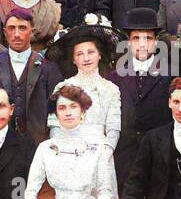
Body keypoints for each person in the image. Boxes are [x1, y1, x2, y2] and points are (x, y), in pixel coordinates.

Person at [0, 8, 63, 146]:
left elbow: (57, 111)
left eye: (22, 28)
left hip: (38, 145)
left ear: (32, 31)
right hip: (1, 145)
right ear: (5, 33)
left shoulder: (49, 68)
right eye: (12, 28)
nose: (17, 34)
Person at [45, 15, 123, 151]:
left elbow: (113, 130)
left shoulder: (111, 89)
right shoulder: (63, 87)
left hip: (100, 153)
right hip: (68, 153)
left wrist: (105, 153)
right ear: (73, 59)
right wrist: (61, 151)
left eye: (91, 52)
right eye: (79, 54)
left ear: (100, 55)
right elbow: (55, 127)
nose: (86, 58)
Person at [107, 8, 170, 175]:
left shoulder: (170, 75)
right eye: (136, 38)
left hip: (159, 157)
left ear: (156, 42)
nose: (142, 44)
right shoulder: (114, 77)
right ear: (128, 43)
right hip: (124, 158)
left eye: (148, 38)